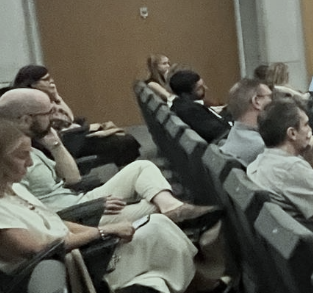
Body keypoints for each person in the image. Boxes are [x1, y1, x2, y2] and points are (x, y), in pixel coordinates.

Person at [0, 120, 231, 293]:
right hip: (71, 273)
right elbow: (39, 248)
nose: (30, 162)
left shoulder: (14, 188)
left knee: (159, 225)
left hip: (82, 252)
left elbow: (57, 222)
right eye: (22, 156)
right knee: (159, 231)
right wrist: (103, 232)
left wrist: (102, 233)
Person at [0, 88, 219, 228]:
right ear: (26, 119)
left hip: (79, 200)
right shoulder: (9, 157)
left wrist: (54, 144)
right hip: (76, 217)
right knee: (153, 210)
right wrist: (94, 207)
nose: (54, 116)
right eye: (48, 113)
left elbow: (73, 179)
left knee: (142, 167)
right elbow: (34, 215)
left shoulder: (32, 143)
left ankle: (172, 207)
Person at [246, 99, 313, 244]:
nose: (310, 130)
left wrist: (311, 158)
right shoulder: (291, 168)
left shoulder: (258, 163)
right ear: (292, 133)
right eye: (306, 125)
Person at [12, 65, 141, 167]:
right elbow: (67, 121)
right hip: (65, 142)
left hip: (72, 136)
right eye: (46, 80)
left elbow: (70, 118)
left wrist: (56, 96)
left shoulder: (47, 97)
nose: (52, 81)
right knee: (124, 142)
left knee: (123, 139)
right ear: (33, 84)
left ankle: (126, 174)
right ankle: (127, 176)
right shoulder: (34, 103)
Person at [220, 78, 274, 165]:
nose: (273, 102)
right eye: (271, 97)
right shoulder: (261, 147)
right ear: (256, 101)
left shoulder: (235, 133)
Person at [169, 70, 231, 143]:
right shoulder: (191, 111)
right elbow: (220, 133)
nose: (206, 88)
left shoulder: (179, 105)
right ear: (185, 94)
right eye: (199, 88)